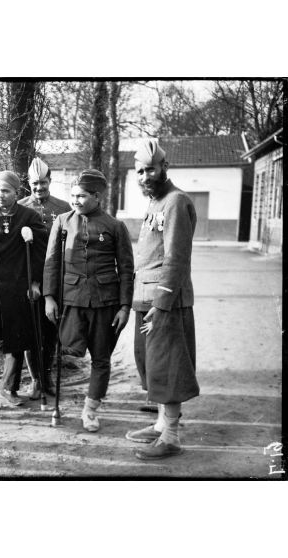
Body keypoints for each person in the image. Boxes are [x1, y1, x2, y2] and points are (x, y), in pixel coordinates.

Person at [44, 169, 134, 433]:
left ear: (96, 196)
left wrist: (125, 306)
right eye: (73, 195)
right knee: (66, 349)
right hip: (71, 301)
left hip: (105, 303)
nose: (76, 200)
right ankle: (45, 390)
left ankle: (91, 409)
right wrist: (49, 297)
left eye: (81, 196)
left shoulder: (115, 227)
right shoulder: (62, 222)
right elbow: (52, 263)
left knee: (101, 359)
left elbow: (126, 269)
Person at [125, 139, 199, 460]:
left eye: (150, 169)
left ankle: (171, 436)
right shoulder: (155, 203)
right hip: (145, 300)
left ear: (164, 167)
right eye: (139, 171)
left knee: (168, 366)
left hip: (165, 302)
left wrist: (161, 303)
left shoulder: (175, 202)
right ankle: (159, 425)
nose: (144, 176)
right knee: (151, 365)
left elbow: (176, 258)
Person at [0, 170, 48, 406]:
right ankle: (5, 384)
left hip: (17, 287)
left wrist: (36, 282)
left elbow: (39, 254)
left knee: (17, 336)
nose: (0, 195)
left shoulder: (30, 217)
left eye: (5, 191)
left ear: (16, 192)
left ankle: (9, 387)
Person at [18, 157, 71, 399]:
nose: (39, 188)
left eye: (43, 183)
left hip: (55, 277)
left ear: (50, 181)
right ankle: (35, 380)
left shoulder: (63, 207)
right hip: (29, 277)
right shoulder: (20, 207)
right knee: (30, 330)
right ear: (29, 183)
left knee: (51, 329)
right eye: (35, 184)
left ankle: (47, 375)